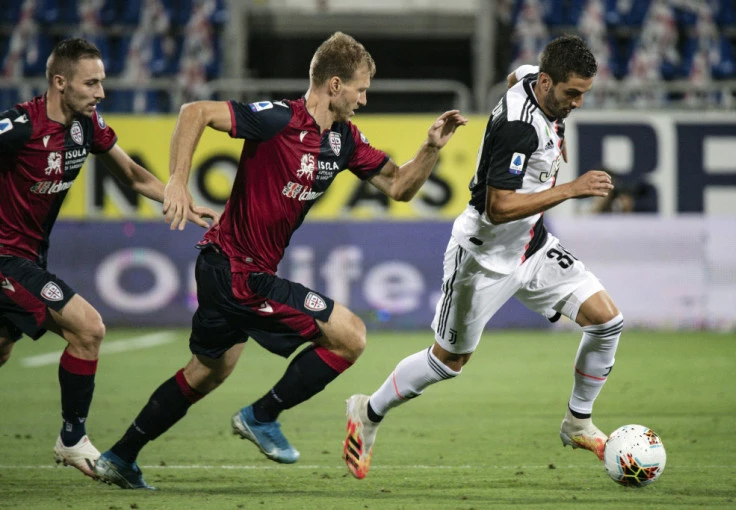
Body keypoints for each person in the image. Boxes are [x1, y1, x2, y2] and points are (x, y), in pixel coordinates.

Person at [93, 31, 468, 489]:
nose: (364, 99)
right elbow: (195, 112)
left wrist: (430, 148)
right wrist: (176, 181)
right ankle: (262, 415)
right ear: (334, 85)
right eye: (360, 89)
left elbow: (399, 186)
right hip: (237, 270)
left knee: (206, 372)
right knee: (350, 336)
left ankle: (120, 456)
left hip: (228, 268)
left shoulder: (344, 140)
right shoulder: (277, 119)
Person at [343, 35, 622, 480]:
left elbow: (515, 76)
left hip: (532, 247)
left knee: (607, 321)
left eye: (583, 93)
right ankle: (368, 411)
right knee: (447, 362)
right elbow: (498, 208)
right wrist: (571, 187)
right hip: (483, 258)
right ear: (547, 83)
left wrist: (556, 142)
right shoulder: (518, 130)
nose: (578, 103)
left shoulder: (533, 80)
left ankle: (577, 422)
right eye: (572, 93)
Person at [0, 38, 214, 479]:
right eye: (91, 83)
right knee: (88, 327)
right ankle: (72, 438)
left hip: (31, 256)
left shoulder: (87, 125)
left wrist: (179, 199)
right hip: (5, 257)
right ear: (60, 82)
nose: (101, 92)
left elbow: (131, 175)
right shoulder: (19, 127)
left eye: (101, 81)